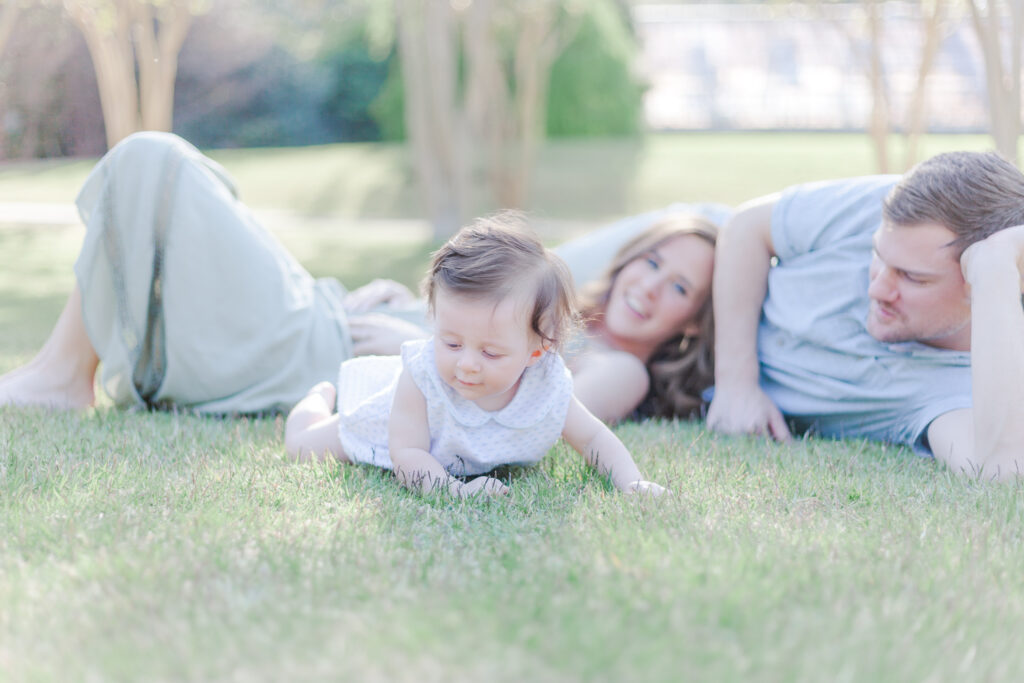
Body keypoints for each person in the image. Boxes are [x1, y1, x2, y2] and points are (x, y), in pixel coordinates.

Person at [0, 132, 721, 423]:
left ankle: (65, 375)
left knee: (155, 161)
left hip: (320, 353)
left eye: (680, 288)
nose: (653, 285)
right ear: (629, 256)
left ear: (691, 322)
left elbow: (528, 414)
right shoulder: (556, 311)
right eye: (653, 260)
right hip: (329, 311)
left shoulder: (620, 368)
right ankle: (61, 369)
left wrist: (409, 348)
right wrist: (408, 305)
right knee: (152, 172)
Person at [284, 217, 667, 498]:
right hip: (390, 428)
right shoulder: (422, 375)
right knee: (303, 448)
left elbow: (594, 436)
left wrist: (630, 481)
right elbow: (408, 453)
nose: (467, 363)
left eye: (491, 352)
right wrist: (453, 491)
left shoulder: (547, 383)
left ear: (538, 349)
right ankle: (318, 398)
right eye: (450, 343)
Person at [706, 150, 1024, 480]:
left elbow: (999, 471)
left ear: (979, 284)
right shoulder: (889, 205)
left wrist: (998, 263)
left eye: (912, 277)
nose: (877, 290)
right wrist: (735, 382)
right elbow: (744, 227)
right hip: (698, 250)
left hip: (678, 375)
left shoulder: (961, 387)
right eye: (877, 255)